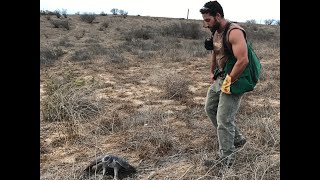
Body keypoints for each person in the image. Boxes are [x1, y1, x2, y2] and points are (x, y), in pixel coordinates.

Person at [200, 1, 248, 168]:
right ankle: (237, 139)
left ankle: (227, 159)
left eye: (208, 20)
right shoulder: (215, 32)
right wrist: (212, 72)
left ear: (218, 16)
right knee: (210, 108)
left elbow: (243, 60)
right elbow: (215, 54)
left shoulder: (234, 32)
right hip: (220, 76)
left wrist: (229, 80)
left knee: (224, 119)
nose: (205, 24)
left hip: (234, 78)